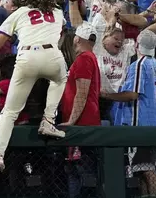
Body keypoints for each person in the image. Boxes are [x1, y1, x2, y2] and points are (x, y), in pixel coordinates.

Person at [0, 0, 68, 182]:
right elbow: (62, 31)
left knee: (9, 112)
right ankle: (49, 120)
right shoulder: (58, 11)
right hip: (52, 54)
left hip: (26, 56)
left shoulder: (20, 12)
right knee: (60, 79)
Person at [105, 30, 156, 197]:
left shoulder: (139, 65)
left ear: (137, 45)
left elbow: (132, 94)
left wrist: (106, 95)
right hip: (154, 125)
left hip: (139, 126)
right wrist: (151, 105)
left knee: (147, 169)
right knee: (142, 170)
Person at [60, 23, 101, 198]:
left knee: (80, 174)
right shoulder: (90, 57)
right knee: (78, 172)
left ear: (77, 38)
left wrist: (71, 121)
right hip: (84, 122)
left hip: (81, 125)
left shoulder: (84, 59)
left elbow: (81, 94)